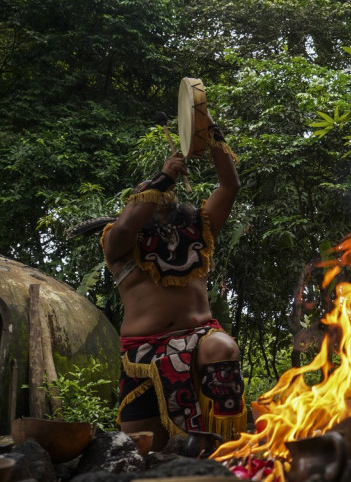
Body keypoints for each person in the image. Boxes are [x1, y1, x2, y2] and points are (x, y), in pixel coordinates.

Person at [100, 118, 246, 451]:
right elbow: (126, 226)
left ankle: (229, 455)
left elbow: (229, 187)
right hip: (143, 354)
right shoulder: (118, 242)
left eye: (167, 191)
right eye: (150, 193)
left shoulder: (198, 229)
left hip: (199, 342)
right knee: (142, 450)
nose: (163, 197)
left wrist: (212, 135)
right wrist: (163, 176)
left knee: (222, 347)